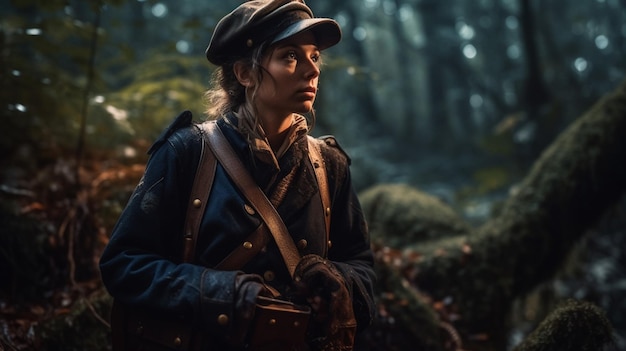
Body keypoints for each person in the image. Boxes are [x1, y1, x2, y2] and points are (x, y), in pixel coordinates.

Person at [99, 0, 376, 350]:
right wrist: (220, 294)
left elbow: (362, 267)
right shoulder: (187, 151)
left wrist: (340, 283)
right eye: (290, 55)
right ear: (245, 73)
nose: (311, 70)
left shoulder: (331, 165)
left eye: (314, 56)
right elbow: (124, 265)